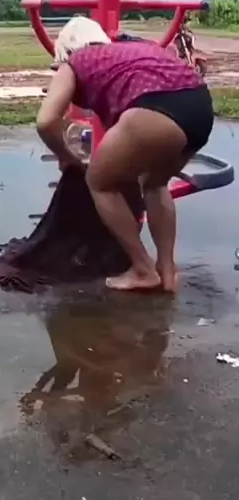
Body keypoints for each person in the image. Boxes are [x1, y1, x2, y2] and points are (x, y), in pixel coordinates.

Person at [36, 16, 214, 293]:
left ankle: (143, 269)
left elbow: (46, 121)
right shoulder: (134, 47)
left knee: (100, 182)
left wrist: (66, 156)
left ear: (66, 51)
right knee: (155, 183)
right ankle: (167, 270)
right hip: (200, 107)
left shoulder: (75, 61)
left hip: (156, 108)